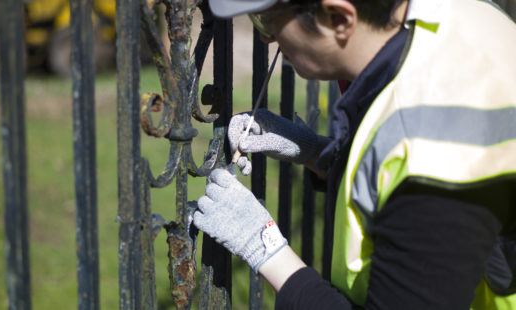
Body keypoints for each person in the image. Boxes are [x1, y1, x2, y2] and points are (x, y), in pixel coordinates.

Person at [191, 0, 516, 308]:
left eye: (267, 19)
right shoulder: (468, 13)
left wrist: (266, 249)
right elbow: (396, 187)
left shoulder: (432, 158)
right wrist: (319, 154)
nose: (265, 38)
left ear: (340, 19)